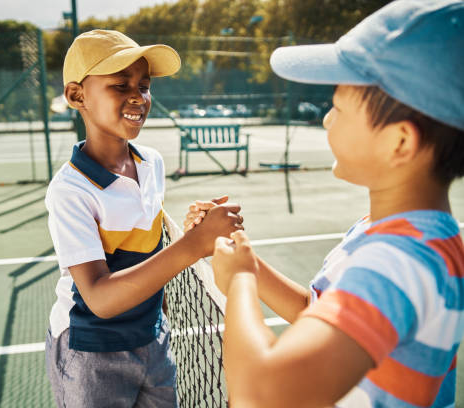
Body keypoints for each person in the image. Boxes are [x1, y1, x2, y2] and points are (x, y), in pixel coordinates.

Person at [192, 1, 464, 406]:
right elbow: (313, 311)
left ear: (400, 142)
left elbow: (260, 393)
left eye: (337, 107)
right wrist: (245, 260)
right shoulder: (396, 236)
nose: (325, 120)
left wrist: (239, 283)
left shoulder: (397, 262)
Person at [44, 29, 244, 408]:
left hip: (153, 338)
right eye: (120, 85)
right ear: (77, 95)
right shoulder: (70, 190)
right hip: (91, 352)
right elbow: (100, 298)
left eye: (144, 85)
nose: (138, 96)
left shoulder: (151, 163)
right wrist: (194, 246)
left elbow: (148, 247)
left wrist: (192, 233)